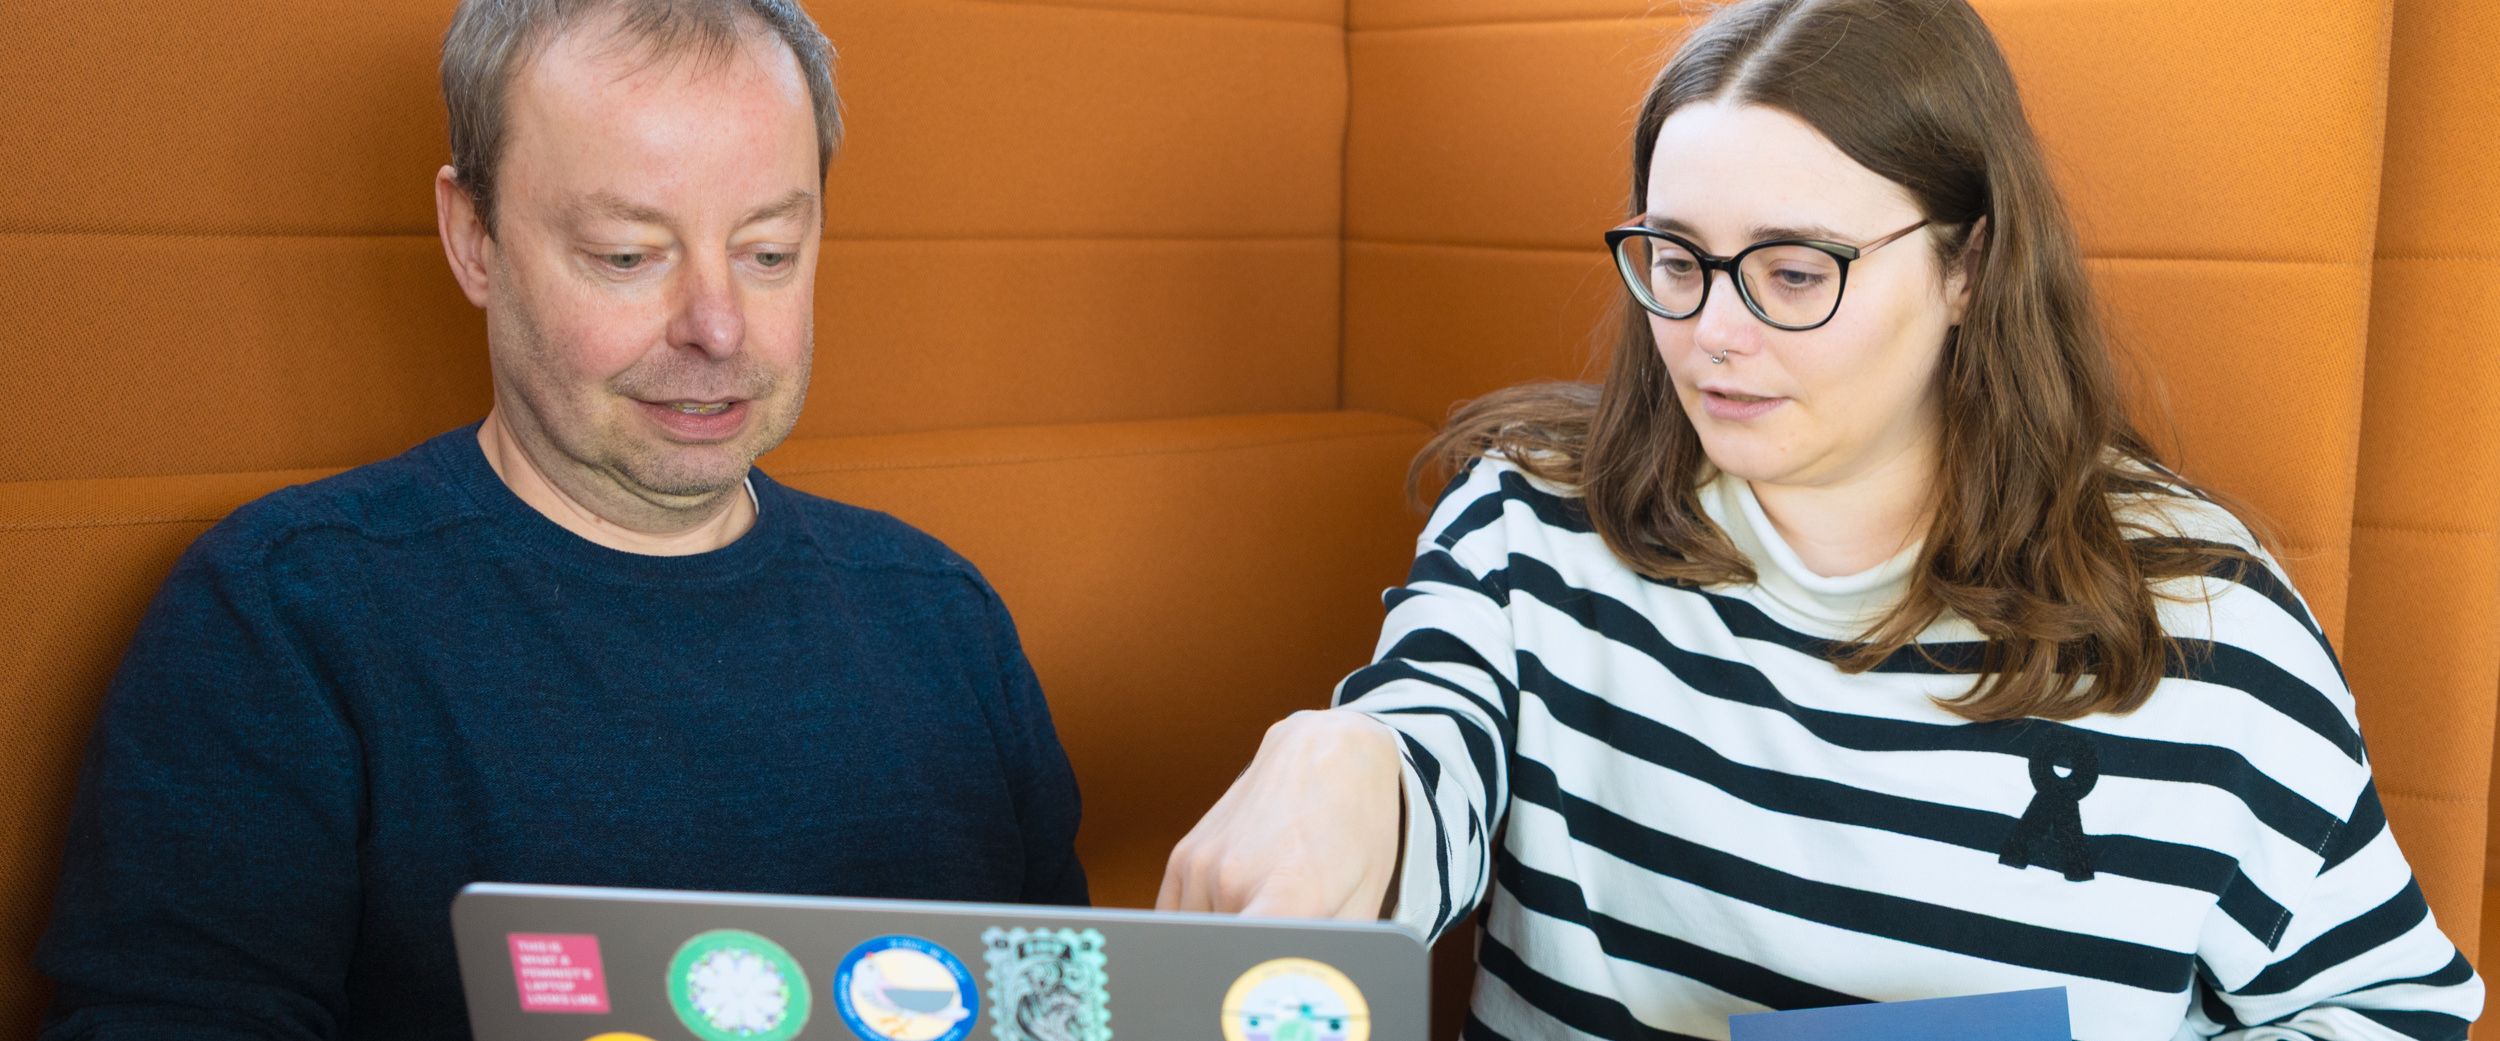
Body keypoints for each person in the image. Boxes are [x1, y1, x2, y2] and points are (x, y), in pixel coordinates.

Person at [1156, 0, 2480, 1036]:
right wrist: (1349, 767)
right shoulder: (1532, 526)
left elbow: (2387, 1011)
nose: (1711, 334)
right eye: (1675, 260)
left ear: (1968, 265)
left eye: (1794, 271)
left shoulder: (2205, 626)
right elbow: (1429, 746)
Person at [37, 2, 1085, 1038]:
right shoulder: (285, 619)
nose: (718, 327)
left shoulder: (941, 617)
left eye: (768, 252)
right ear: (474, 238)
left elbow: (1065, 1012)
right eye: (628, 256)